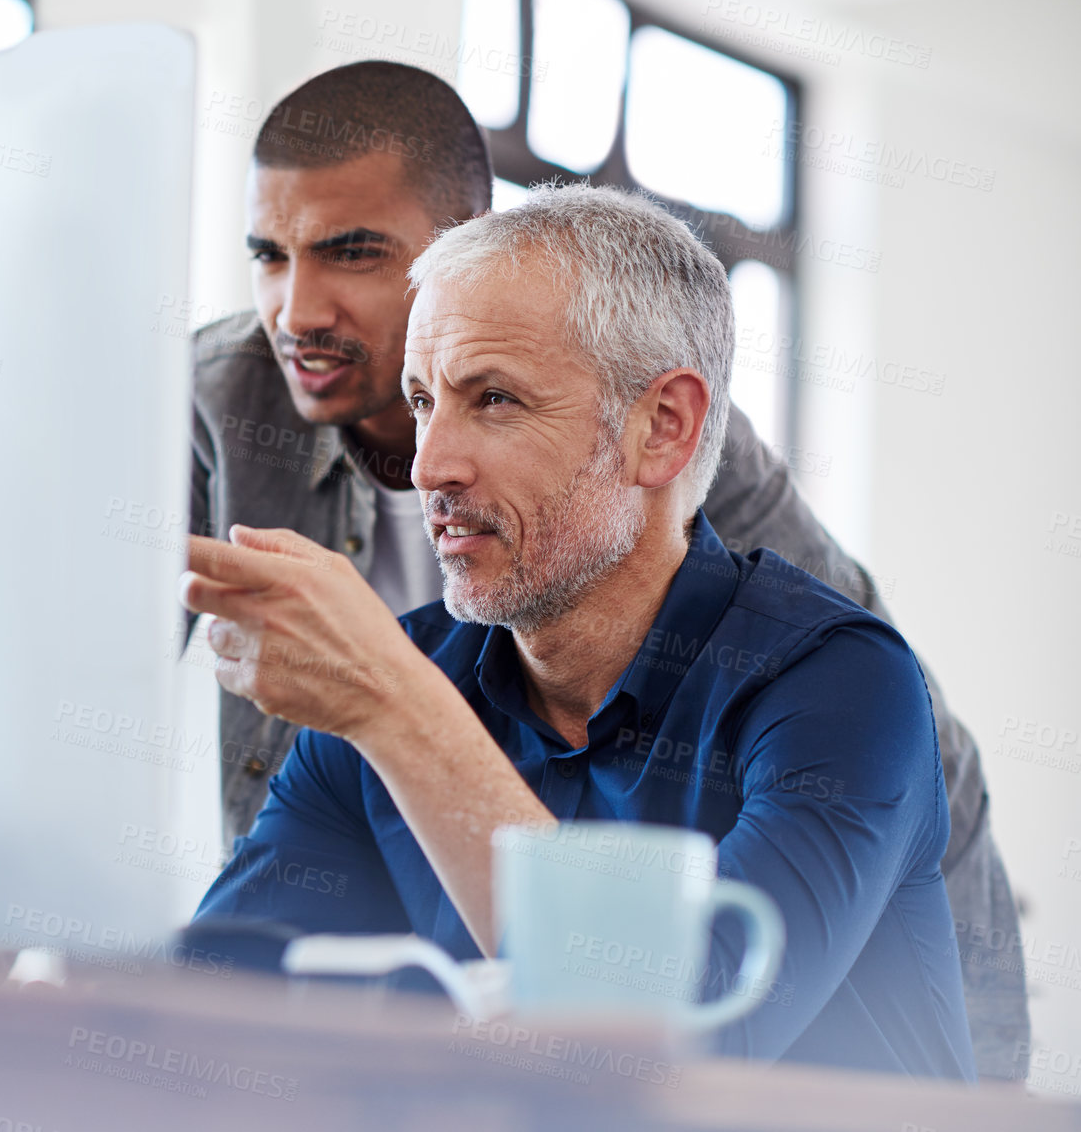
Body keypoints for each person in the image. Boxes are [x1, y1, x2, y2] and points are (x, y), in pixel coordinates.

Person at [187, 60, 1026, 1078]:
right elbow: (197, 1016)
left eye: (493, 399)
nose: (430, 464)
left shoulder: (841, 688)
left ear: (662, 427)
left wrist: (392, 708)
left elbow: (676, 1039)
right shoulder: (396, 686)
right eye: (421, 403)